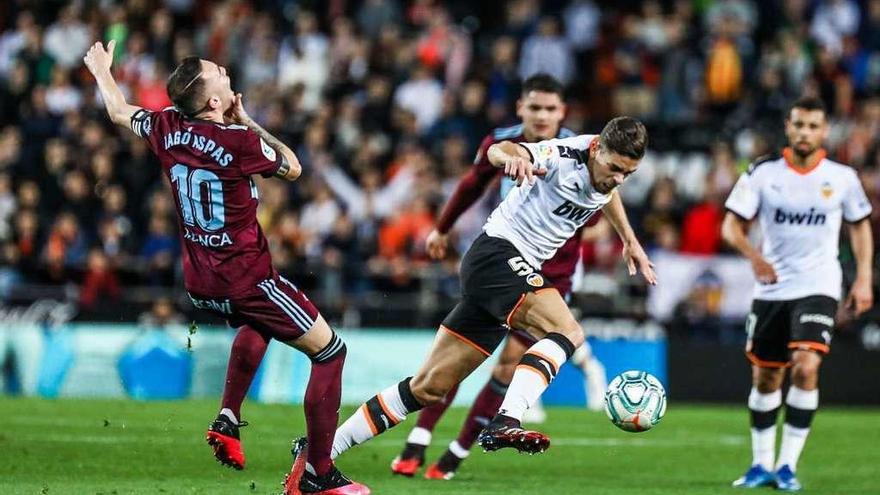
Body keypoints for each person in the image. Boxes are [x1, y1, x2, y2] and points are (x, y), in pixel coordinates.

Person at [283, 116, 655, 492]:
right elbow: (501, 151)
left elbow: (607, 193)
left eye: (629, 172)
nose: (619, 178)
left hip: (496, 272)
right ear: (597, 150)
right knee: (567, 331)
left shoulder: (606, 169)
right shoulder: (562, 155)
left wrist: (629, 238)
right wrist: (511, 156)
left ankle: (319, 452)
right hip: (498, 256)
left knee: (428, 388)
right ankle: (507, 418)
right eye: (615, 168)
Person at [83, 41, 369, 495]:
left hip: (199, 280)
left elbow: (119, 112)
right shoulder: (240, 141)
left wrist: (100, 70)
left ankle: (228, 417)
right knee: (330, 352)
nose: (224, 68)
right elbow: (293, 168)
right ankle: (318, 475)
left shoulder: (166, 125)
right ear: (215, 101)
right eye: (218, 70)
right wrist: (248, 120)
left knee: (263, 324)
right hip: (247, 278)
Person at [391, 73, 608, 481]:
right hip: (502, 260)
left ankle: (454, 456)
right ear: (521, 108)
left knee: (509, 364)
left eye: (551, 109)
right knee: (461, 356)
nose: (542, 116)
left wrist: (625, 238)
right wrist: (443, 227)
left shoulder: (581, 153)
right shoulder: (504, 142)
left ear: (562, 112)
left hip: (553, 272)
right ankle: (418, 440)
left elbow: (603, 204)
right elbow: (474, 182)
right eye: (535, 107)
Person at [722, 96, 873, 492]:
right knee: (767, 377)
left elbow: (859, 226)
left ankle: (787, 466)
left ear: (824, 131)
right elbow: (731, 226)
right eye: (799, 125)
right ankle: (760, 464)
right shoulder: (762, 173)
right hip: (773, 288)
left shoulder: (842, 177)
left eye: (813, 126)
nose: (805, 133)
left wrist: (862, 280)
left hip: (820, 284)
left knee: (806, 365)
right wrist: (754, 257)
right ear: (788, 128)